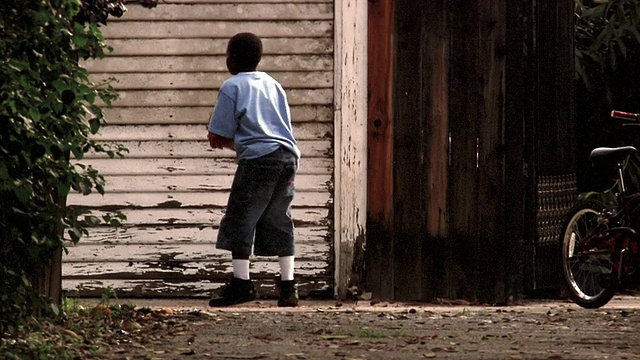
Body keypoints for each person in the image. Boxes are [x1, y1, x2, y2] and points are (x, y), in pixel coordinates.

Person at [206, 32, 301, 307]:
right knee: (279, 218)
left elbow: (218, 135)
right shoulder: (274, 85)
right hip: (287, 158)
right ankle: (288, 287)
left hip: (259, 160)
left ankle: (241, 284)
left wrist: (216, 133)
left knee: (240, 217)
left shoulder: (232, 86)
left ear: (232, 58)